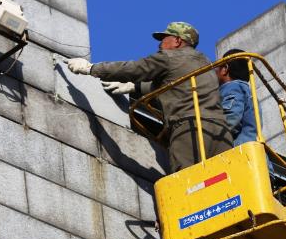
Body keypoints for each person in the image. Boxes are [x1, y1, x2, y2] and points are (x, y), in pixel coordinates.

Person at [65, 22, 232, 173]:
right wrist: (135, 87)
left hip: (189, 130)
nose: (160, 44)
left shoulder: (168, 57)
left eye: (164, 39)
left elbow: (132, 69)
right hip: (221, 133)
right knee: (225, 181)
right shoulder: (206, 64)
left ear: (177, 41)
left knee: (189, 183)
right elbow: (175, 85)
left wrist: (92, 68)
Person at [214, 49, 260, 146]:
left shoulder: (232, 87)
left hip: (238, 150)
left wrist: (211, 139)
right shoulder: (248, 91)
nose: (215, 71)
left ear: (225, 69)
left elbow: (231, 119)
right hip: (250, 148)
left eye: (217, 67)